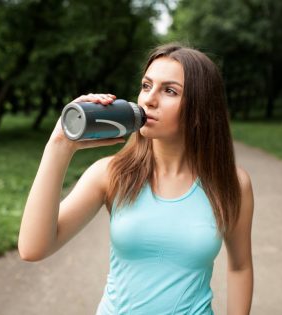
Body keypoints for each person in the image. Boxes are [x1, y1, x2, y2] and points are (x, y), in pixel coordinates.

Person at [18, 43, 254, 315]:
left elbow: (240, 267)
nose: (149, 100)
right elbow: (32, 248)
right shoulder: (111, 174)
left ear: (201, 107)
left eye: (169, 91)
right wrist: (59, 144)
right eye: (146, 86)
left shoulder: (232, 184)